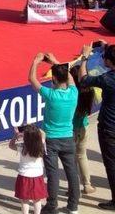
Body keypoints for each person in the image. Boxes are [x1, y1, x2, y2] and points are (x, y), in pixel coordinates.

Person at [28, 52, 79, 214]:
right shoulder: (73, 93)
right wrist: (56, 62)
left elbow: (32, 80)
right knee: (72, 172)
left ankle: (52, 205)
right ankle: (73, 206)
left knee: (53, 174)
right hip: (68, 138)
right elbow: (69, 78)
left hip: (51, 139)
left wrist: (36, 62)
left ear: (54, 79)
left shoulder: (51, 95)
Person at [78, 42, 115, 209]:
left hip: (109, 127)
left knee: (111, 164)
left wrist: (85, 57)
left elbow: (84, 79)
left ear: (108, 62)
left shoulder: (107, 79)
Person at [69, 64, 97, 195]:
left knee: (70, 160)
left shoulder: (71, 94)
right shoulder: (89, 91)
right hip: (83, 127)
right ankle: (87, 185)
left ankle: (72, 189)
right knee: (82, 156)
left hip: (70, 130)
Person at [8, 124, 47, 214]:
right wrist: (35, 129)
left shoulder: (22, 147)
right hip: (37, 176)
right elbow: (44, 133)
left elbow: (10, 145)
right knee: (37, 200)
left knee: (25, 201)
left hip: (24, 176)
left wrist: (16, 135)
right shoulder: (41, 145)